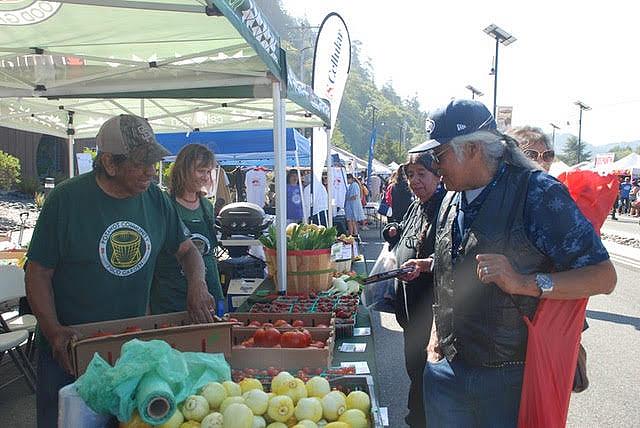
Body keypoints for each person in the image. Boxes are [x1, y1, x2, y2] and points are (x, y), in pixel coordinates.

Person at [401, 99, 616, 427]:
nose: (435, 164)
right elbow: (448, 273)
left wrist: (524, 282)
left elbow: (603, 277)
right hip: (445, 374)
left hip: (509, 380)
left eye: (439, 154)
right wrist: (435, 338)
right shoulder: (449, 198)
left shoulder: (538, 192)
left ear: (472, 149)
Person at [25, 114, 215, 427]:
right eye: (141, 164)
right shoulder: (66, 200)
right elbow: (37, 273)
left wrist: (198, 284)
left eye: (153, 163)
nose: (151, 172)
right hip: (71, 347)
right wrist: (53, 329)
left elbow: (188, 251)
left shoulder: (155, 199)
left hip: (129, 347)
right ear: (110, 164)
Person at [381, 151, 444, 427]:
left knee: (425, 370)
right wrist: (392, 230)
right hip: (408, 306)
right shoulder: (418, 205)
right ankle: (416, 412)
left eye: (422, 174)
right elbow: (404, 229)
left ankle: (420, 418)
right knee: (413, 365)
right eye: (410, 175)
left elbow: (457, 256)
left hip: (429, 309)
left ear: (438, 176)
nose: (415, 181)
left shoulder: (444, 207)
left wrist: (427, 265)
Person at [151, 144, 224, 315]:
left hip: (208, 287)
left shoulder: (206, 205)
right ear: (183, 169)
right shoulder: (165, 204)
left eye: (208, 172)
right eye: (200, 171)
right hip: (173, 293)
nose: (205, 177)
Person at [344, 173, 366, 237]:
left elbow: (355, 196)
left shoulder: (354, 185)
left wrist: (347, 198)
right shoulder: (353, 185)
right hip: (352, 206)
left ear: (350, 179)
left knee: (350, 221)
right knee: (353, 221)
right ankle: (355, 233)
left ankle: (351, 234)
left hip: (352, 206)